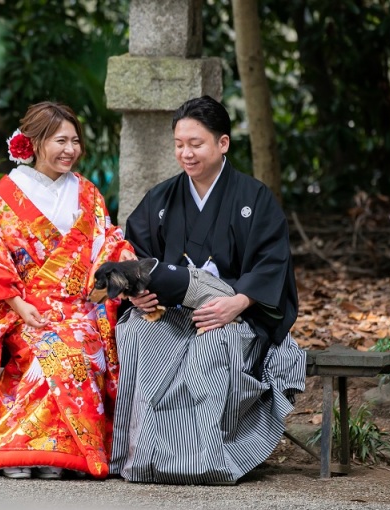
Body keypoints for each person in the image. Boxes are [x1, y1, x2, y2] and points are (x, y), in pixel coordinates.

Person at [109, 95, 306, 485]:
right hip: (170, 311)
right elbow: (134, 255)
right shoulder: (162, 197)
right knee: (136, 331)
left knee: (210, 350)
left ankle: (204, 458)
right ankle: (143, 455)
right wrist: (137, 294)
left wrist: (237, 302)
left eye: (196, 144)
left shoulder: (255, 199)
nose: (186, 153)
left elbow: (272, 263)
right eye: (179, 144)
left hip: (232, 311)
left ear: (223, 143)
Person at [0, 102, 133, 480]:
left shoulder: (87, 193)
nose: (70, 149)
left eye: (75, 141)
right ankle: (14, 450)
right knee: (48, 347)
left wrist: (125, 272)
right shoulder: (8, 192)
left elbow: (109, 244)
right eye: (59, 141)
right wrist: (17, 304)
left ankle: (66, 452)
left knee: (75, 345)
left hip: (81, 308)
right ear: (34, 143)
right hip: (24, 307)